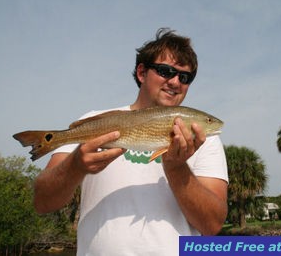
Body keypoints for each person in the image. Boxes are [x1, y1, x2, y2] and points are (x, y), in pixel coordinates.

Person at [33, 28, 228, 256]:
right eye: (166, 71)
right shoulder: (91, 121)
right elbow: (42, 202)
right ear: (141, 72)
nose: (175, 82)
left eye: (185, 77)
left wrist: (176, 168)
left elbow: (212, 226)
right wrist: (75, 165)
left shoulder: (205, 141)